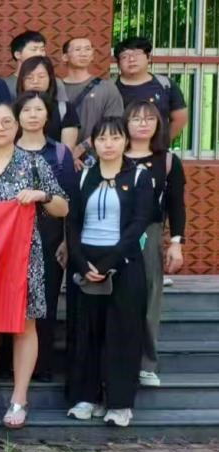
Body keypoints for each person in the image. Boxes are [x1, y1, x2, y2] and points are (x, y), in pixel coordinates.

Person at [0, 102, 69, 429]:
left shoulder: (34, 162)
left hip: (25, 256)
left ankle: (19, 398)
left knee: (25, 325)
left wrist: (41, 196)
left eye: (6, 122)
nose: (0, 128)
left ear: (16, 126)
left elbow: (63, 207)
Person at [65, 116, 154, 428]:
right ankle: (85, 397)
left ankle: (119, 403)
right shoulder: (84, 175)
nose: (108, 144)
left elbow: (138, 224)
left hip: (123, 263)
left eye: (115, 138)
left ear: (125, 141)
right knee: (85, 332)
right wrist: (81, 262)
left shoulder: (140, 176)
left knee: (122, 333)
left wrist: (108, 264)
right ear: (93, 143)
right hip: (86, 262)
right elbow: (72, 222)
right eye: (102, 139)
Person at [14, 91, 80, 382]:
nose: (32, 115)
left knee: (46, 300)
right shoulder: (4, 150)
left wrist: (67, 240)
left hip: (50, 236)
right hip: (11, 240)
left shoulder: (60, 153)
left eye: (38, 109)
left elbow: (70, 201)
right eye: (26, 110)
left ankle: (42, 366)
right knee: (12, 300)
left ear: (47, 115)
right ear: (18, 116)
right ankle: (8, 364)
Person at [124, 99, 187, 388]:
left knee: (149, 297)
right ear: (125, 123)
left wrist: (176, 242)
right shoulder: (113, 154)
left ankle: (146, 363)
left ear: (159, 124)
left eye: (149, 119)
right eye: (136, 118)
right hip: (112, 232)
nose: (143, 124)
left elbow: (176, 205)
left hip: (149, 233)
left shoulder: (168, 161)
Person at [59, 37, 123, 160]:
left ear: (92, 56)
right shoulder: (55, 88)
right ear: (65, 57)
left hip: (97, 158)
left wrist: (80, 148)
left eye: (88, 49)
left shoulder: (107, 88)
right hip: (60, 158)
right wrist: (67, 152)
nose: (83, 53)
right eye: (77, 49)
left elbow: (113, 124)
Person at [114, 36, 188, 139]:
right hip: (119, 148)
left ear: (148, 57)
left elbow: (180, 118)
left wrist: (162, 142)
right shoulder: (110, 88)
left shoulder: (165, 84)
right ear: (118, 63)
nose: (131, 59)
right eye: (124, 57)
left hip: (156, 148)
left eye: (137, 54)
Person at [15, 56, 79, 148]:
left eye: (41, 76)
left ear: (50, 79)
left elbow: (67, 150)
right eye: (29, 77)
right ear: (22, 81)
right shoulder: (11, 109)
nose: (35, 81)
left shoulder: (65, 109)